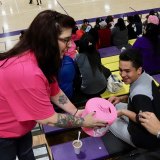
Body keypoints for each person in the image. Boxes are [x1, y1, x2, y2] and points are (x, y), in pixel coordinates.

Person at [0, 10, 107, 160]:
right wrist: (83, 121)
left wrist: (76, 112)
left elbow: (54, 91)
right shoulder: (29, 72)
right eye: (66, 40)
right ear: (47, 40)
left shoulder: (40, 56)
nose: (70, 45)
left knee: (26, 153)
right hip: (4, 132)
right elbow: (49, 119)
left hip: (20, 124)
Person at [108, 48, 160, 149]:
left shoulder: (140, 96)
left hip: (142, 138)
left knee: (108, 120)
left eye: (127, 71)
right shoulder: (146, 77)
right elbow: (139, 100)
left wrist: (124, 112)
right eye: (120, 70)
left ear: (139, 70)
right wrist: (123, 98)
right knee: (116, 105)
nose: (122, 75)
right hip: (147, 113)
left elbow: (145, 121)